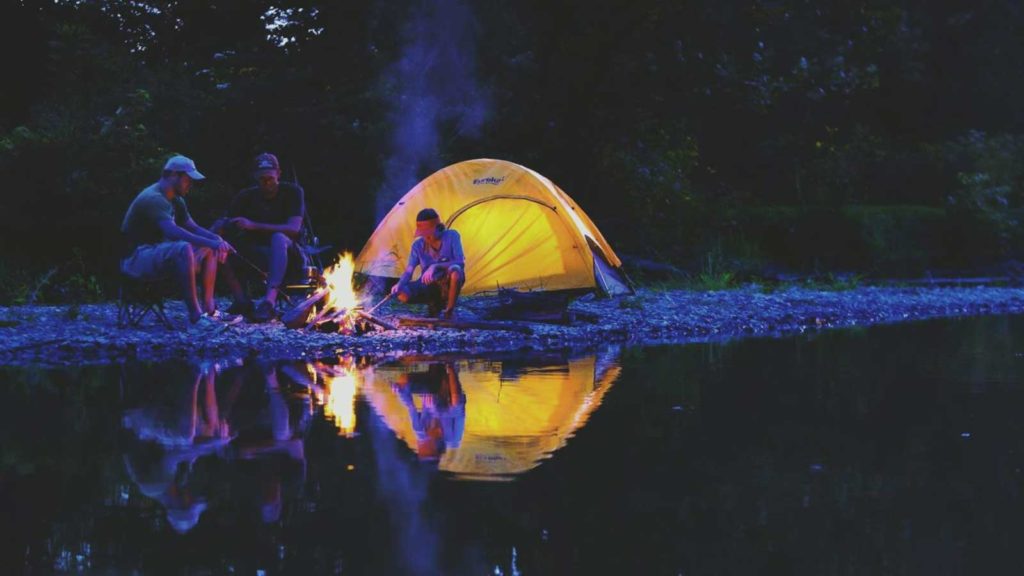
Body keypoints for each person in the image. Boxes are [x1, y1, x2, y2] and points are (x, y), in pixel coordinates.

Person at [121, 155, 235, 326]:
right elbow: (172, 232)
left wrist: (217, 240)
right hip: (136, 258)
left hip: (157, 252)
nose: (191, 184)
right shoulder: (154, 198)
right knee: (183, 248)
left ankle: (209, 310)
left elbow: (194, 227)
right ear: (174, 175)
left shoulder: (176, 200)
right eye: (188, 179)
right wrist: (211, 242)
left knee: (208, 248)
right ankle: (196, 317)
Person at [216, 153, 305, 322]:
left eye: (270, 178)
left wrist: (252, 225)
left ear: (278, 174)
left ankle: (269, 302)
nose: (266, 183)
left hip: (290, 252)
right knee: (222, 245)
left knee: (278, 238)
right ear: (255, 177)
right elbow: (227, 221)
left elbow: (294, 228)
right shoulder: (245, 197)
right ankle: (241, 300)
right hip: (256, 252)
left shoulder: (292, 192)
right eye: (262, 178)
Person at [390, 208, 466, 319]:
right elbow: (409, 270)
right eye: (423, 234)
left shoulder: (452, 236)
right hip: (428, 285)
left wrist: (435, 266)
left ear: (439, 228)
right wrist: (399, 284)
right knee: (402, 294)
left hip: (447, 282)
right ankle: (433, 304)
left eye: (429, 233)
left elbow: (460, 262)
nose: (426, 237)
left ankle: (449, 310)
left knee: (456, 270)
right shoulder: (418, 245)